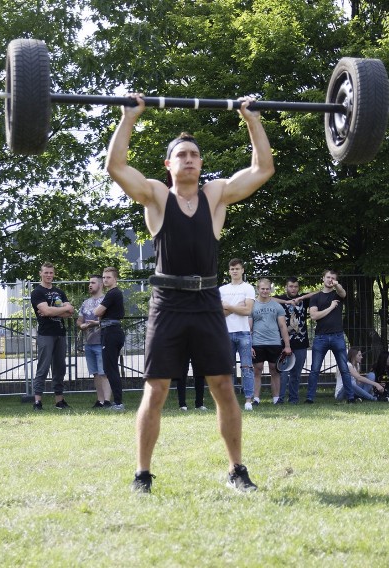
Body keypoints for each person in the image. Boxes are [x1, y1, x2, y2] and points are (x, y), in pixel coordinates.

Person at [106, 93, 274, 493]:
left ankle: (237, 470)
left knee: (222, 386)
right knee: (157, 388)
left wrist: (252, 120)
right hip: (167, 304)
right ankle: (142, 475)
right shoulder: (156, 196)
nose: (190, 159)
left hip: (206, 302)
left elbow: (262, 168)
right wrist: (129, 117)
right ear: (169, 165)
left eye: (195, 154)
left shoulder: (215, 196)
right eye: (181, 155)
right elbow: (116, 166)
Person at [30, 262, 75, 410]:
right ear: (41, 273)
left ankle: (59, 401)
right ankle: (37, 401)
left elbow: (70, 312)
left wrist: (52, 310)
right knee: (42, 367)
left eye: (51, 273)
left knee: (60, 368)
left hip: (60, 333)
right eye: (46, 272)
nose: (49, 275)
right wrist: (60, 309)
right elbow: (48, 312)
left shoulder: (59, 292)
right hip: (45, 334)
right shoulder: (37, 292)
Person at [307, 269, 356, 403]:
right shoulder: (315, 297)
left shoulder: (337, 295)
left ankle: (351, 398)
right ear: (323, 278)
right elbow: (314, 316)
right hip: (320, 337)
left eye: (333, 278)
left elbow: (343, 292)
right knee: (315, 370)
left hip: (337, 336)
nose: (330, 280)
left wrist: (336, 284)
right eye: (328, 277)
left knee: (344, 369)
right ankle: (310, 398)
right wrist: (331, 307)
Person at [219, 258, 256, 411]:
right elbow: (220, 314)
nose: (235, 271)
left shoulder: (248, 288)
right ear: (229, 271)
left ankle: (248, 399)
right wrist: (235, 307)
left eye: (237, 268)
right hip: (226, 333)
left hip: (244, 334)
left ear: (242, 270)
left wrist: (229, 306)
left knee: (247, 367)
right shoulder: (222, 290)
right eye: (232, 269)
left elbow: (247, 311)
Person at [273, 277, 316, 404]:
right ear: (286, 287)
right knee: (282, 373)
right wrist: (286, 302)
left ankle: (293, 399)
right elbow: (267, 298)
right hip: (282, 343)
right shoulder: (281, 300)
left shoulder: (303, 300)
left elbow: (318, 292)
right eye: (291, 286)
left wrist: (301, 298)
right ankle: (279, 399)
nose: (293, 289)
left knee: (296, 374)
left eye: (296, 286)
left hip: (301, 343)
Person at [251, 278, 292, 405]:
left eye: (267, 289)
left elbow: (283, 326)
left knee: (275, 370)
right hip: (257, 342)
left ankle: (276, 399)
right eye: (262, 289)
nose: (265, 291)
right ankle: (256, 399)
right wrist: (249, 344)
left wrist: (287, 345)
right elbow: (249, 327)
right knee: (257, 369)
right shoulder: (252, 305)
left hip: (274, 342)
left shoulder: (277, 306)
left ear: (270, 290)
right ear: (258, 289)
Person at [94, 267, 126, 411]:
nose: (105, 280)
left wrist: (99, 312)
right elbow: (101, 315)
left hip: (111, 332)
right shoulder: (114, 293)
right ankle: (117, 401)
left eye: (108, 277)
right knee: (111, 367)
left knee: (110, 368)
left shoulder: (113, 293)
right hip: (112, 331)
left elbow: (97, 312)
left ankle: (118, 403)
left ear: (115, 279)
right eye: (104, 277)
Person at [77, 274, 110, 408]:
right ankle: (100, 400)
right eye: (89, 283)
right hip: (89, 343)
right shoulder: (85, 303)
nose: (90, 285)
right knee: (95, 373)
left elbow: (108, 320)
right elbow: (79, 320)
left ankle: (107, 401)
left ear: (101, 284)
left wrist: (94, 324)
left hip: (102, 341)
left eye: (93, 283)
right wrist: (82, 325)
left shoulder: (106, 300)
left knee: (104, 373)